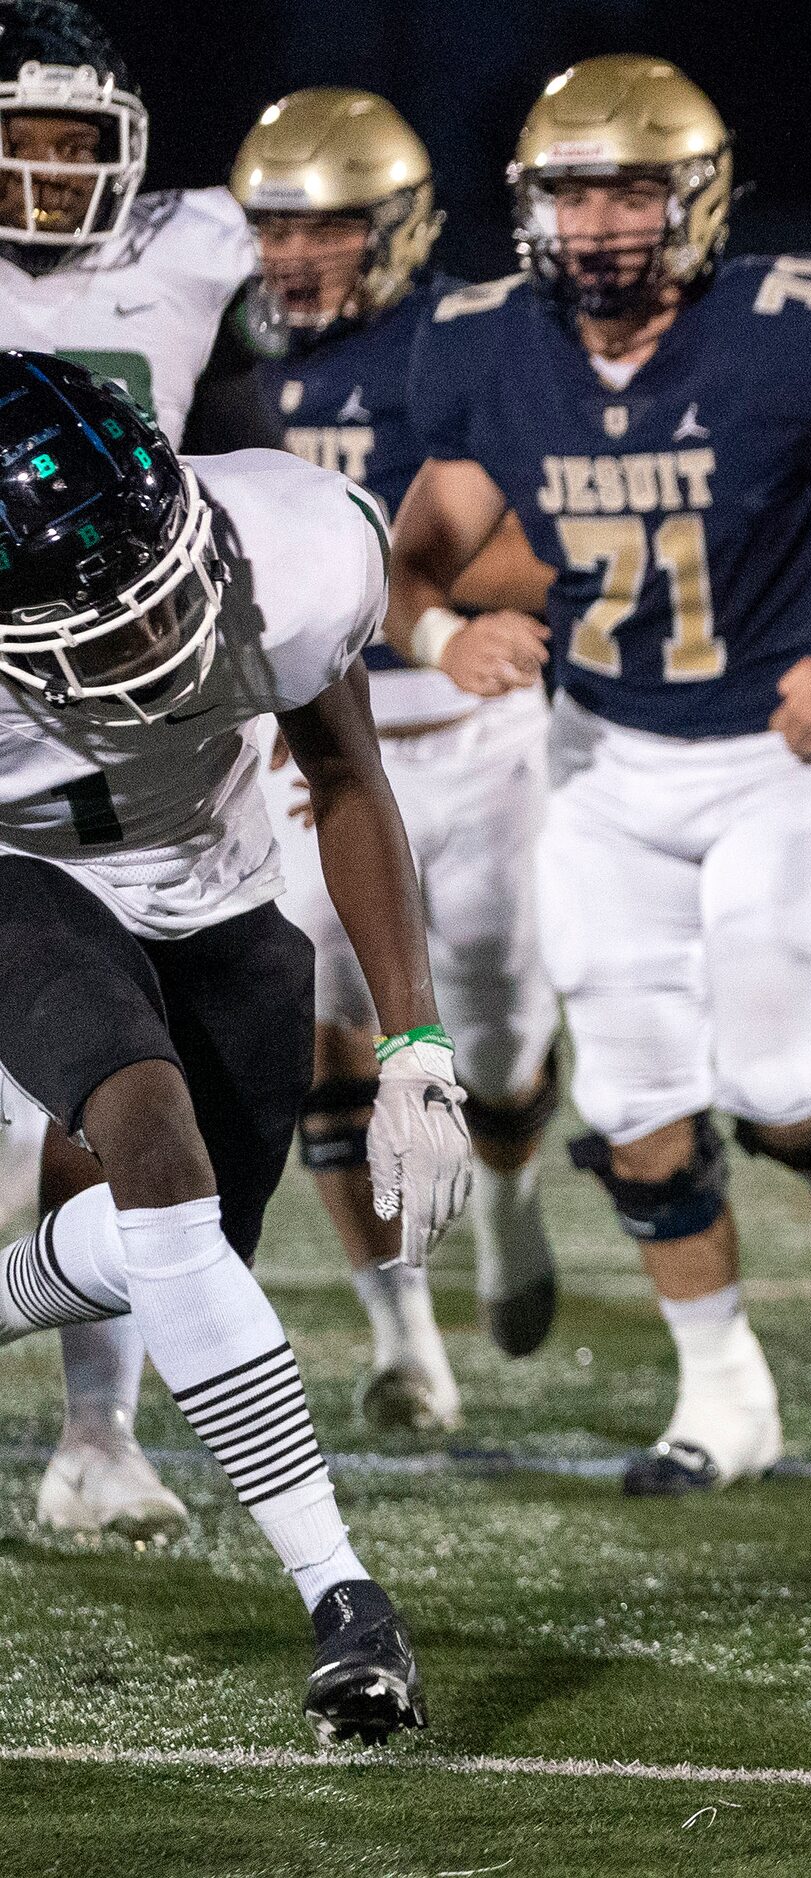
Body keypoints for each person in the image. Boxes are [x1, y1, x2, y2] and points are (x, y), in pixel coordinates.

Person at [385, 57, 811, 1494]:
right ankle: (723, 1392)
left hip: (777, 755)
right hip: (604, 760)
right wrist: (439, 627)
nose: (600, 225)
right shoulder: (492, 345)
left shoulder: (795, 332)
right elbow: (414, 552)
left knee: (786, 1075)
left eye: (630, 191)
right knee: (633, 1101)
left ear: (697, 202)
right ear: (528, 208)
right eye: (570, 193)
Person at [0, 350, 465, 1741]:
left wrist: (415, 1044)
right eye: (101, 624)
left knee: (182, 1249)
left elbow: (346, 777)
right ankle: (344, 1598)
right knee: (151, 1146)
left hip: (229, 906)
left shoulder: (302, 543)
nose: (147, 644)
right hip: (26, 873)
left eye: (156, 591)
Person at [233, 86, 565, 1431]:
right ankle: (403, 1338)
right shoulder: (212, 350)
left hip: (465, 742)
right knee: (325, 1042)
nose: (299, 255)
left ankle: (515, 1199)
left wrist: (417, 598)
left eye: (334, 228)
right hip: (291, 740)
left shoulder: (481, 342)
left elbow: (564, 538)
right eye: (276, 227)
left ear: (403, 227)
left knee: (490, 1043)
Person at [0, 0, 284, 1547]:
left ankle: (99, 1434)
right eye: (21, 142)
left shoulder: (193, 255)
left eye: (76, 145)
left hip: (135, 707)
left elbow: (248, 462)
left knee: (147, 1126)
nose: (49, 176)